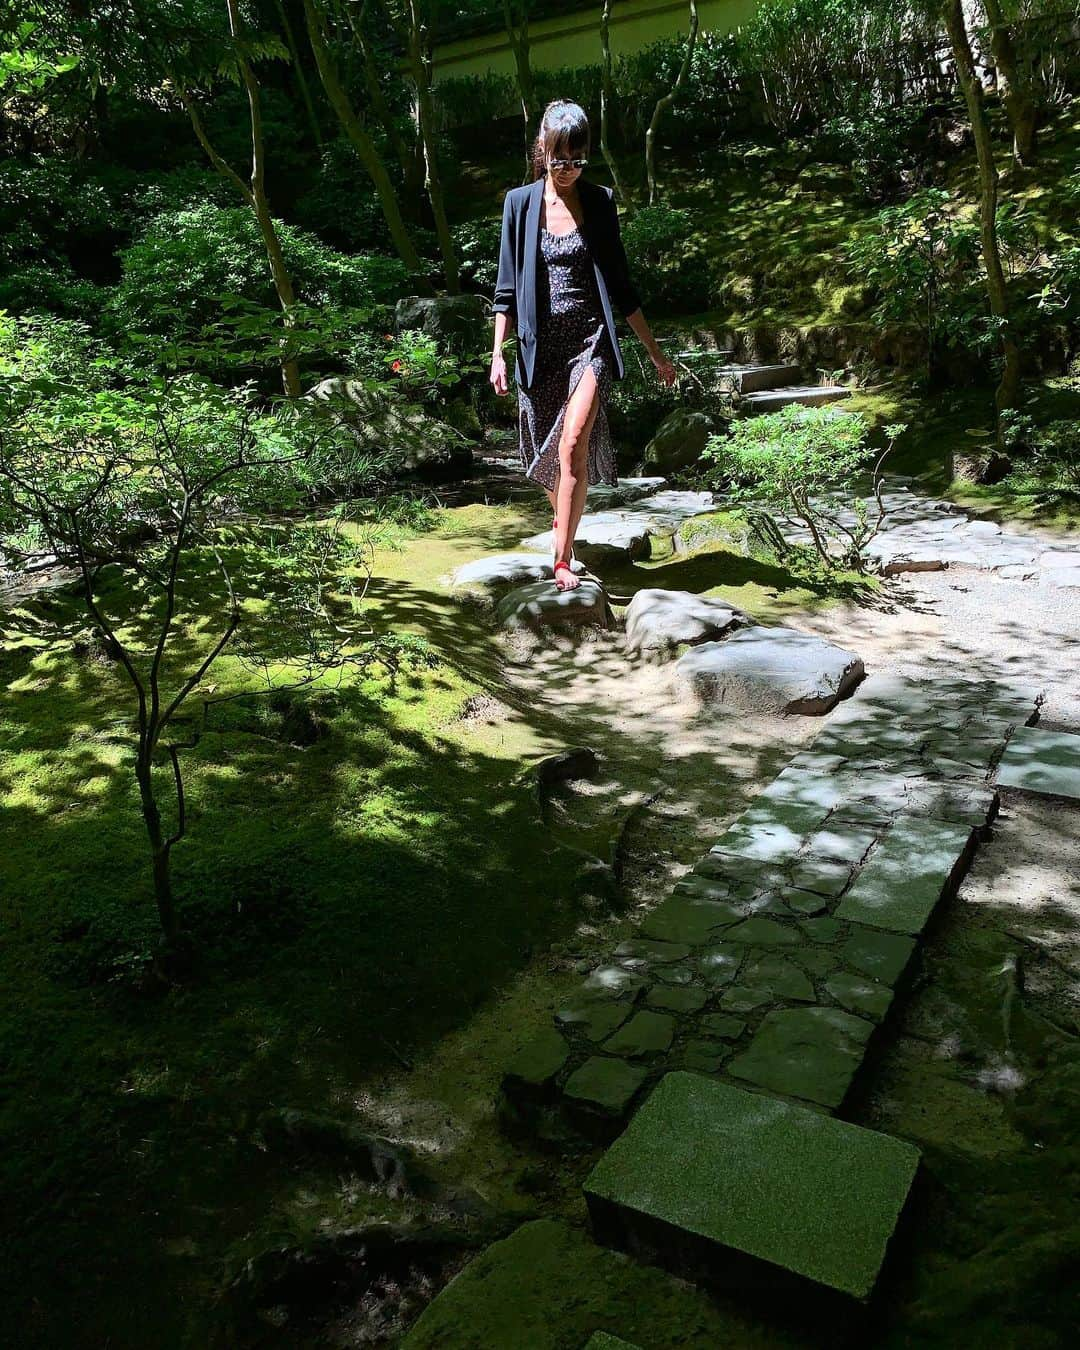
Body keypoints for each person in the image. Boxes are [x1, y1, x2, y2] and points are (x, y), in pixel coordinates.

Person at [489, 99, 677, 592]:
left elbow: (620, 283)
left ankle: (562, 558)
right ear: (542, 151)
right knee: (551, 458)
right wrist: (498, 355)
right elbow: (506, 290)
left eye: (578, 159)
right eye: (560, 159)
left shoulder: (599, 201)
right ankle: (563, 528)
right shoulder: (520, 204)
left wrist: (654, 353)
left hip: (589, 343)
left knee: (572, 444)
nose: (569, 169)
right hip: (538, 348)